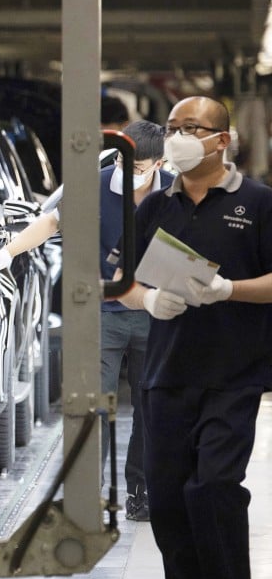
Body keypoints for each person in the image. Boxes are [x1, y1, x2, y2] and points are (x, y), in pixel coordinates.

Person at [118, 95, 272, 579]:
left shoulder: (257, 203)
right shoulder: (155, 207)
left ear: (221, 140)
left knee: (213, 488)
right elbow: (122, 280)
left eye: (192, 128)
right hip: (165, 373)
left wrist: (233, 289)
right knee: (167, 498)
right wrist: (148, 300)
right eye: (172, 127)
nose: (178, 138)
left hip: (235, 373)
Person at [100, 120, 173, 520]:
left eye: (139, 165)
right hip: (103, 313)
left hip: (152, 315)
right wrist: (6, 253)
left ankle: (140, 492)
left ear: (158, 162)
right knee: (94, 405)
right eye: (120, 159)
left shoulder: (177, 189)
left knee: (149, 408)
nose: (127, 169)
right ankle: (86, 496)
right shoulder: (97, 184)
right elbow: (53, 221)